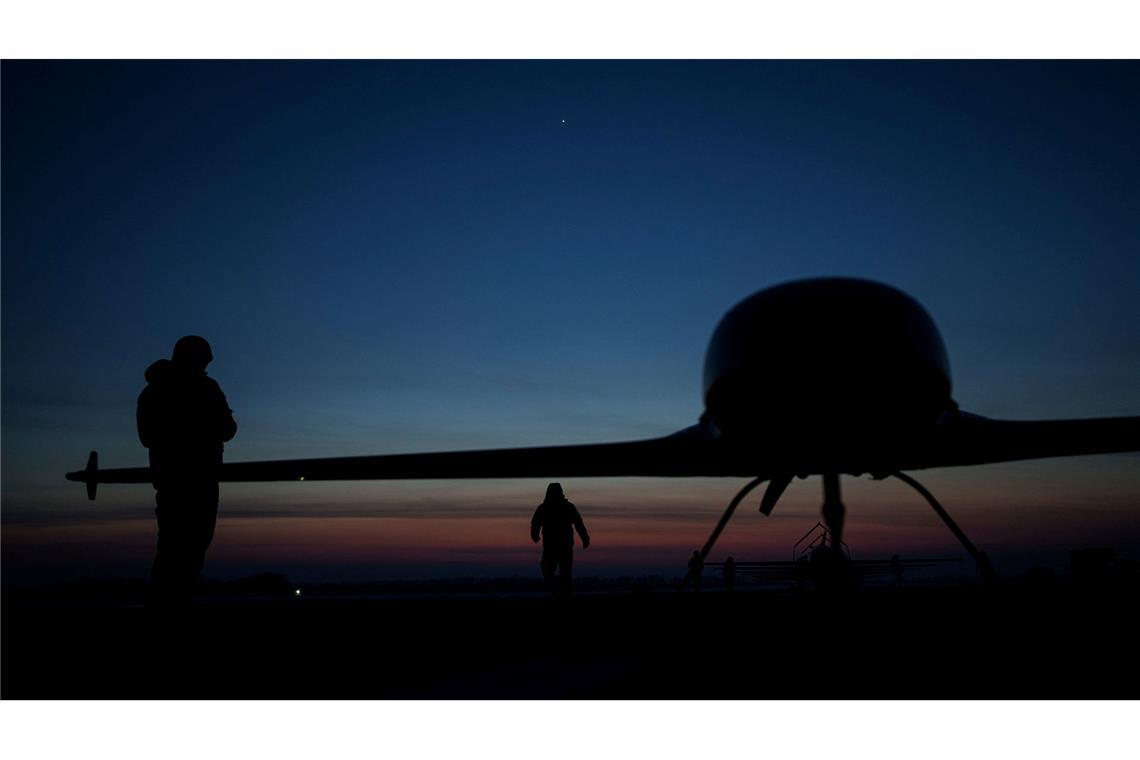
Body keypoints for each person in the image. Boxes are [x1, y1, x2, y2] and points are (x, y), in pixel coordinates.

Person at [137, 336, 237, 607]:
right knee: (191, 547)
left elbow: (146, 436)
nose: (207, 365)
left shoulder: (151, 391)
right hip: (200, 478)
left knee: (171, 547)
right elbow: (228, 430)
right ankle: (172, 604)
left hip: (168, 480)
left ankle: (165, 602)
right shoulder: (206, 388)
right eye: (204, 359)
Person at [530, 482, 590, 595]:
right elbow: (535, 523)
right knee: (550, 570)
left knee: (563, 573)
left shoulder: (564, 507)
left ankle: (563, 594)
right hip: (553, 546)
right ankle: (559, 591)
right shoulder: (545, 508)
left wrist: (585, 538)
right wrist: (534, 534)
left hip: (561, 546)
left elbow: (578, 523)